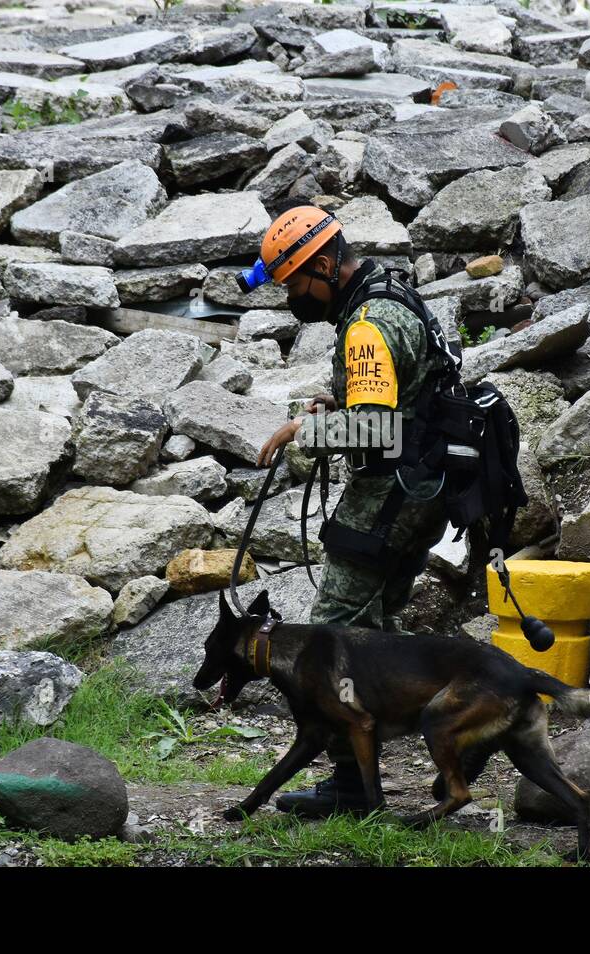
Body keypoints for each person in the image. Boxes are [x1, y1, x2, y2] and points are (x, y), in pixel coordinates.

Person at [248, 204, 451, 817]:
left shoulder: (367, 324)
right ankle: (467, 722)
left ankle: (349, 786)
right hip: (425, 489)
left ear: (328, 265)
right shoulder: (390, 295)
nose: (292, 299)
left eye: (296, 285)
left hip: (391, 495)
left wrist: (302, 434)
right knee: (380, 636)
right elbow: (401, 385)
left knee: (334, 636)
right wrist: (331, 400)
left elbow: (378, 428)